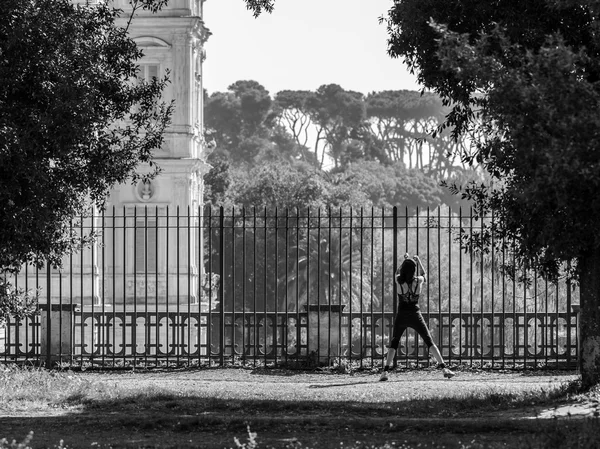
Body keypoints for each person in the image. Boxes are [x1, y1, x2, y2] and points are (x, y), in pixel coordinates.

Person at [379, 253, 455, 381]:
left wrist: (404, 261)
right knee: (428, 340)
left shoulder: (399, 280)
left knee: (394, 342)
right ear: (414, 270)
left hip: (402, 315)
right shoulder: (418, 281)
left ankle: (385, 372)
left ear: (403, 269)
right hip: (415, 314)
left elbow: (396, 273)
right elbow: (425, 275)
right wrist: (418, 261)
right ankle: (444, 368)